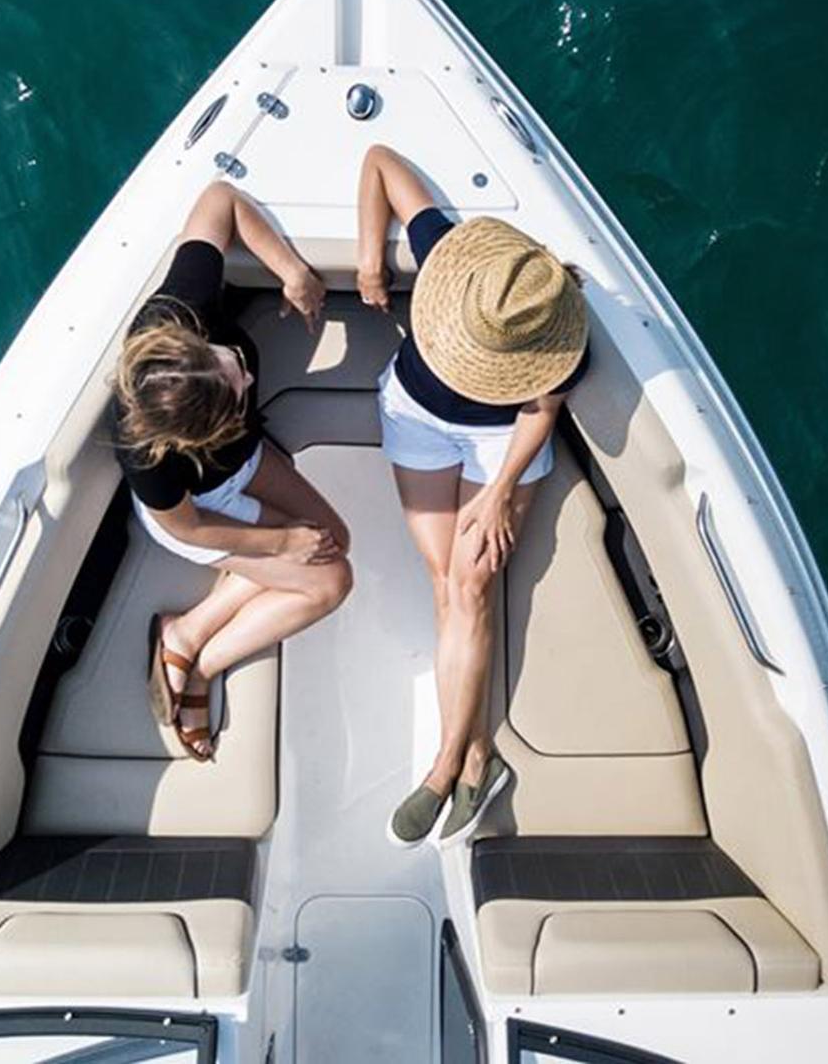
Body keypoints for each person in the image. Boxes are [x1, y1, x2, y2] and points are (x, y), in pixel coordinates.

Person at [355, 144, 589, 846]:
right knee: (445, 582)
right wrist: (371, 258)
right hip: (417, 419)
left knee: (471, 585)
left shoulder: (548, 332)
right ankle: (475, 755)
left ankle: (451, 762)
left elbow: (540, 413)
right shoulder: (459, 269)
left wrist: (496, 496)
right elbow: (381, 161)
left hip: (500, 448)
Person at [115, 180, 353, 761]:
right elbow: (188, 527)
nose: (246, 378)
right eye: (234, 393)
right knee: (332, 579)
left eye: (227, 365)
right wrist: (279, 541)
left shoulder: (179, 310)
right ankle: (203, 664)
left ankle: (188, 633)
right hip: (204, 507)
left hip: (245, 459)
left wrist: (290, 270)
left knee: (334, 541)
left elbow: (219, 198)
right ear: (190, 438)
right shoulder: (150, 461)